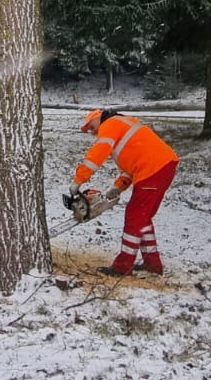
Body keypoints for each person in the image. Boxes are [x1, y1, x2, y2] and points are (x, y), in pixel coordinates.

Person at [67, 108, 179, 277]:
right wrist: (118, 187)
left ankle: (123, 266)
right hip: (161, 166)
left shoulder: (110, 124)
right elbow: (132, 164)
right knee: (142, 217)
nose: (92, 132)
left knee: (135, 216)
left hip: (152, 169)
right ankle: (153, 264)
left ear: (98, 118)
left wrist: (79, 179)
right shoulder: (121, 125)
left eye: (91, 127)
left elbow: (97, 154)